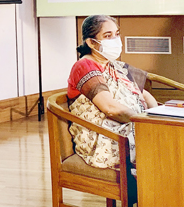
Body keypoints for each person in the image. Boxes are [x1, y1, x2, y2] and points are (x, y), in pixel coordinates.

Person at [67, 15, 157, 170]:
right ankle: (145, 190)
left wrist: (156, 117)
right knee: (161, 143)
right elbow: (110, 107)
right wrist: (145, 124)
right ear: (91, 42)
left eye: (116, 34)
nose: (115, 40)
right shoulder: (84, 66)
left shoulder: (115, 66)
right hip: (102, 135)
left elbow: (144, 94)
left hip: (130, 123)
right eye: (108, 36)